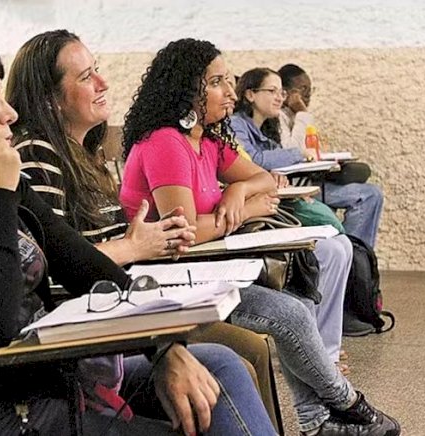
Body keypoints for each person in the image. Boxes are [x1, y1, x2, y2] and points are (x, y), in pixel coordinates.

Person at [0, 25, 274, 436]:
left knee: (217, 365)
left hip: (51, 383)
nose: (9, 112)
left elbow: (86, 267)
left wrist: (163, 349)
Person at [119, 37, 401, 436]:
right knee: (292, 313)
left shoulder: (208, 140)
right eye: (217, 82)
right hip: (168, 280)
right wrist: (248, 209)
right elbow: (181, 232)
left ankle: (316, 420)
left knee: (301, 298)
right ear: (186, 90)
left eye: (228, 80)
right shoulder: (166, 141)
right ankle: (348, 402)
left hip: (210, 267)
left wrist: (236, 191)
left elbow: (264, 177)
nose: (230, 92)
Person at [4, 29, 282, 430]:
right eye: (86, 77)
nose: (103, 83)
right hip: (99, 325)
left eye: (97, 70)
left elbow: (259, 179)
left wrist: (238, 193)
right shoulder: (38, 156)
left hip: (133, 298)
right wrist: (136, 246)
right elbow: (52, 264)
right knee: (237, 355)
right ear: (50, 97)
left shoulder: (84, 155)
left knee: (247, 350)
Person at [229, 67, 354, 370]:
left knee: (342, 246)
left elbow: (265, 166)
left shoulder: (266, 129)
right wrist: (285, 164)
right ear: (250, 94)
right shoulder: (234, 126)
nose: (279, 97)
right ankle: (322, 353)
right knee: (331, 250)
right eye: (271, 91)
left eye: (281, 92)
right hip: (253, 219)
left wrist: (272, 176)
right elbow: (259, 163)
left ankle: (326, 349)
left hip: (269, 208)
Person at [276, 63, 384, 249]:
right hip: (296, 188)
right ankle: (355, 257)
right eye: (302, 90)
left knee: (371, 192)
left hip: (309, 182)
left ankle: (360, 258)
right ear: (285, 92)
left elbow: (309, 151)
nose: (308, 95)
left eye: (310, 90)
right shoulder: (279, 116)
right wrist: (302, 113)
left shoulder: (295, 117)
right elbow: (291, 150)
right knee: (367, 195)